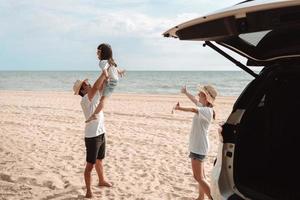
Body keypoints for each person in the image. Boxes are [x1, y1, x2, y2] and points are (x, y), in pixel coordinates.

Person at [174, 85, 217, 200]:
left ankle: (212, 198)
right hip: (198, 146)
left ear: (206, 98)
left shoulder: (206, 111)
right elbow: (194, 101)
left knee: (198, 177)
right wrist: (185, 92)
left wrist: (179, 108)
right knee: (201, 176)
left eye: (201, 94)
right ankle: (200, 197)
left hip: (199, 147)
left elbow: (193, 109)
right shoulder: (204, 108)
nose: (198, 95)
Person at [73, 77, 112, 198]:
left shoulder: (93, 96)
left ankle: (101, 180)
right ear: (83, 89)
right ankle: (88, 191)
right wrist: (103, 72)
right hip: (92, 137)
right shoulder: (85, 99)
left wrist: (108, 75)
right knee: (90, 165)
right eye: (86, 83)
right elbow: (96, 87)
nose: (88, 84)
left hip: (101, 132)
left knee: (100, 160)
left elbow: (102, 87)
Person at [85, 43, 125, 123]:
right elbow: (114, 69)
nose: (97, 53)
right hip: (113, 80)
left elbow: (105, 71)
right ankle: (95, 113)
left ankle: (95, 115)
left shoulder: (102, 62)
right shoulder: (110, 61)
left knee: (103, 99)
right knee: (102, 96)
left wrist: (107, 78)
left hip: (111, 81)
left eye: (99, 51)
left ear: (104, 53)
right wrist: (120, 72)